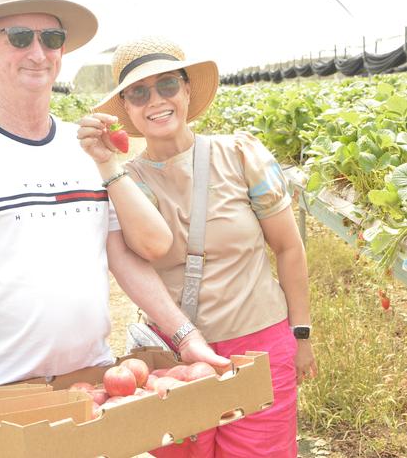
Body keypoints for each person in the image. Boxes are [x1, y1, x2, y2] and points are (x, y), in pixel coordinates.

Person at [0, 0, 229, 457]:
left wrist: (184, 337)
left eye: (51, 38)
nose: (38, 52)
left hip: (93, 384)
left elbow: (122, 256)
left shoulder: (86, 150)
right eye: (19, 37)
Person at [77, 36, 318, 458]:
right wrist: (106, 165)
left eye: (168, 85)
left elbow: (288, 248)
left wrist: (301, 335)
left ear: (188, 90)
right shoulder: (126, 181)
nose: (156, 100)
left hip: (259, 347)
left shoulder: (241, 156)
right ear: (128, 109)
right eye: (139, 92)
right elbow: (154, 245)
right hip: (175, 362)